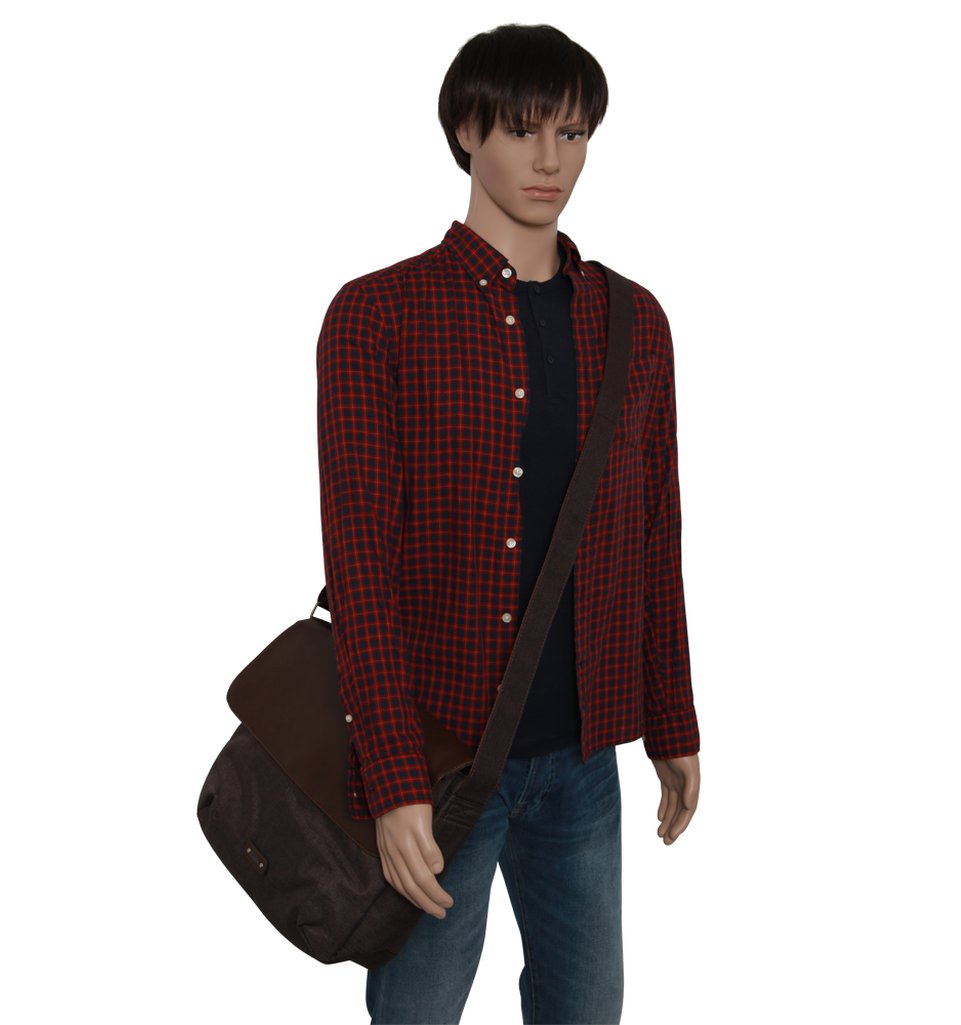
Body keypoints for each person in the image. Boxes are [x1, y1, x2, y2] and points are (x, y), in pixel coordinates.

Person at [316, 22, 700, 1025]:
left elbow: (654, 535)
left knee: (588, 1009)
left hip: (583, 759)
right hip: (441, 760)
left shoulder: (633, 321)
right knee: (417, 1011)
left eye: (572, 133)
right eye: (524, 129)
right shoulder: (377, 315)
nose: (549, 160)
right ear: (464, 131)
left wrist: (670, 720)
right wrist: (392, 777)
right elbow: (359, 565)